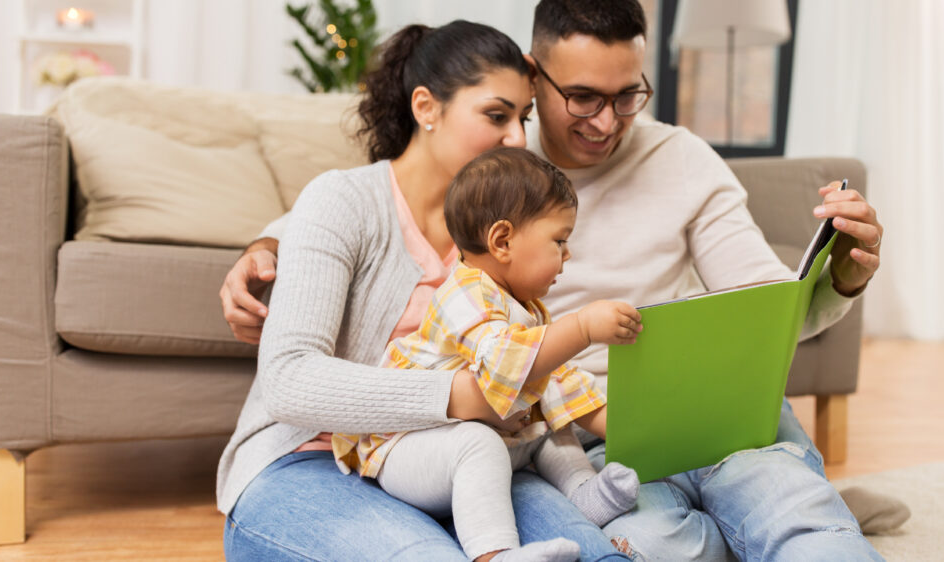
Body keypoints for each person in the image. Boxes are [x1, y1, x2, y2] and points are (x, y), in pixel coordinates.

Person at [221, 1, 891, 560]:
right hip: (488, 434)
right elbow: (360, 205)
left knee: (726, 530)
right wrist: (267, 244)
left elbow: (764, 309)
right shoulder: (480, 172)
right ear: (537, 78)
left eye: (628, 95)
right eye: (581, 98)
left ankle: (786, 506)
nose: (605, 121)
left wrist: (841, 279)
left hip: (584, 426)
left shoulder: (612, 179)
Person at [217, 20, 633, 562]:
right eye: (496, 114)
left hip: (472, 456)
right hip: (310, 457)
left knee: (595, 556)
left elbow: (537, 366)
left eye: (523, 118)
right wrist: (459, 398)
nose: (516, 137)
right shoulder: (345, 203)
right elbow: (288, 378)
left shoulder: (507, 235)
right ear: (426, 107)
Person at [333, 146, 645, 562]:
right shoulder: (464, 293)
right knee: (479, 444)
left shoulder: (527, 309)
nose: (567, 255)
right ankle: (494, 554)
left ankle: (583, 493)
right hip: (408, 448)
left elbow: (559, 387)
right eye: (559, 240)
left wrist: (637, 430)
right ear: (502, 240)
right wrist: (583, 327)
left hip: (476, 441)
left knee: (551, 422)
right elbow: (505, 365)